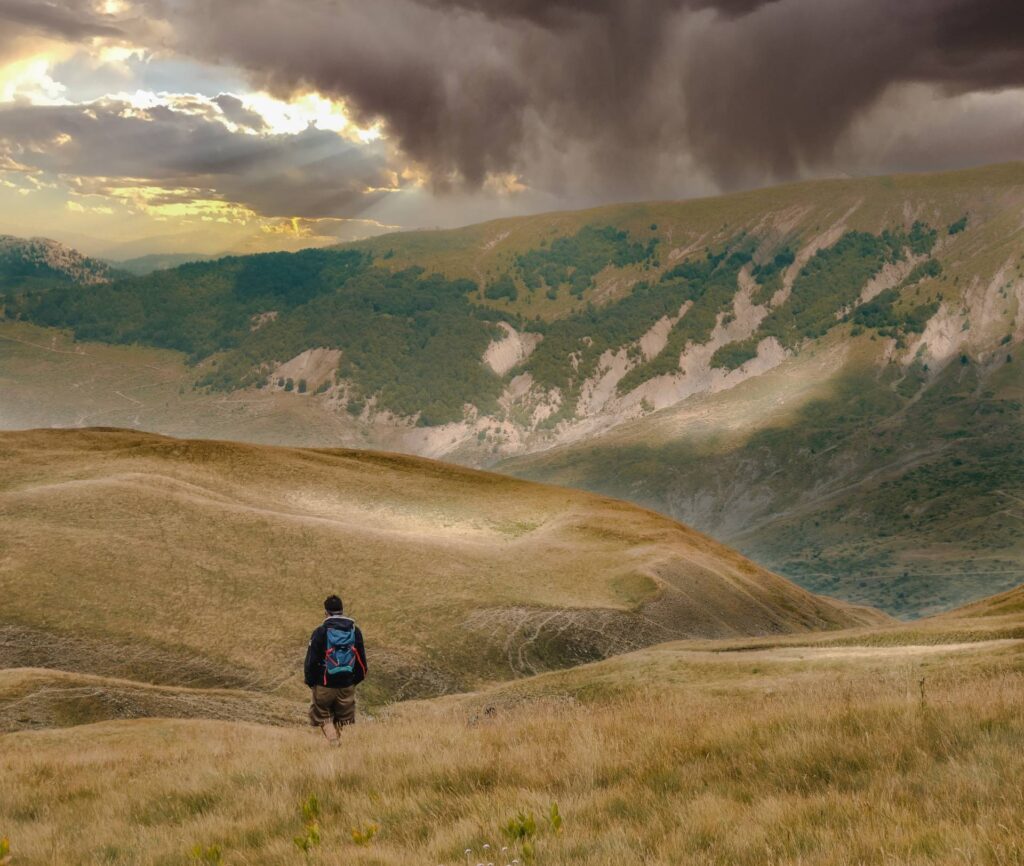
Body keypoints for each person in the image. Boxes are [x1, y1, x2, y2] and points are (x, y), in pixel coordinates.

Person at [303, 594, 367, 741]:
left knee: (323, 718)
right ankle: (339, 750)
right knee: (343, 720)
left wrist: (312, 683)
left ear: (326, 612)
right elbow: (362, 663)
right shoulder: (354, 631)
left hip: (324, 684)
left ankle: (333, 744)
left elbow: (311, 662)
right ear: (342, 610)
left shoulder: (320, 632)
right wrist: (352, 681)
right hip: (346, 685)